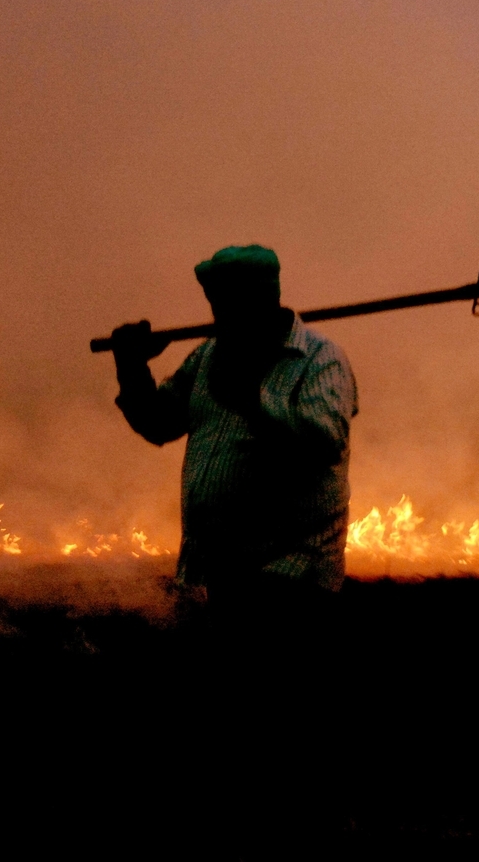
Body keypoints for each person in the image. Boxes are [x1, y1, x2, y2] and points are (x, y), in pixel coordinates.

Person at [109, 245, 359, 611]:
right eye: (216, 304)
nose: (220, 315)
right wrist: (131, 367)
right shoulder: (208, 356)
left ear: (264, 299)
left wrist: (252, 401)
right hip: (223, 573)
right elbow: (158, 423)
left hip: (293, 576)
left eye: (231, 304)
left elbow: (325, 443)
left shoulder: (319, 358)